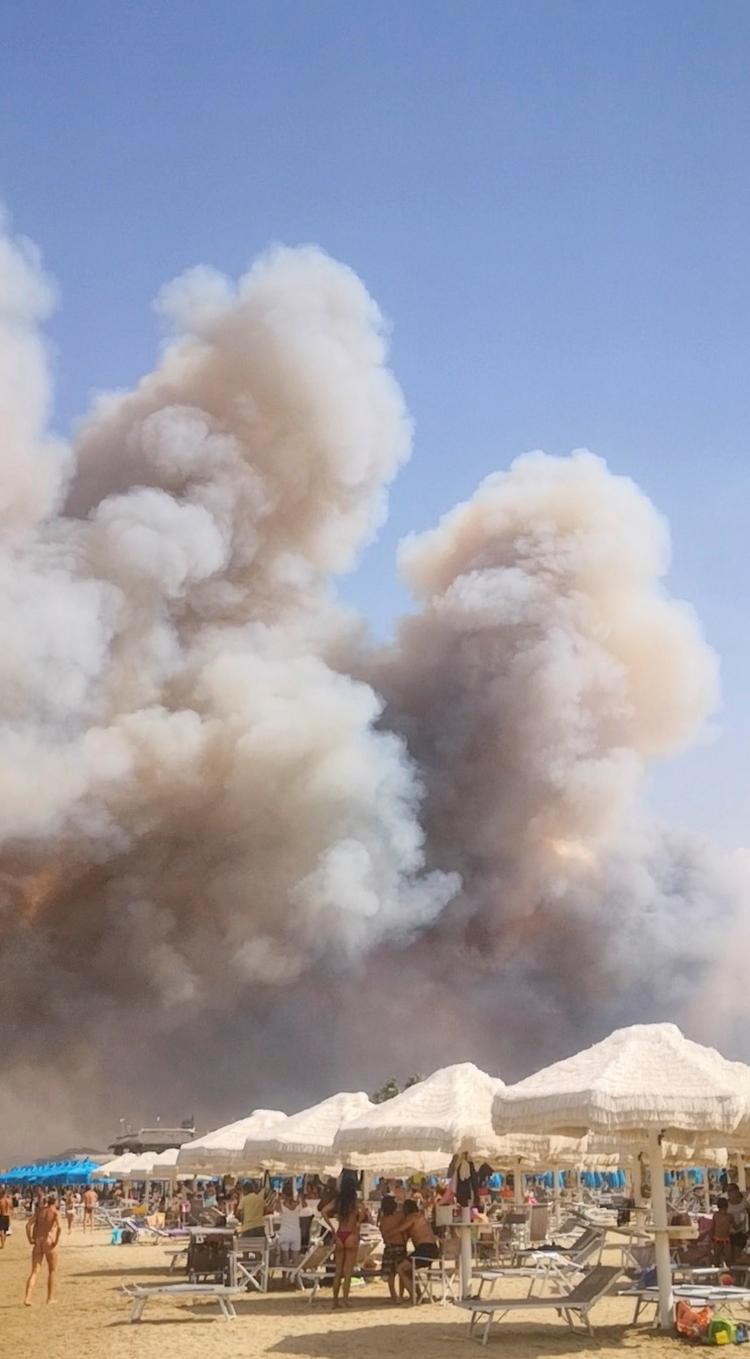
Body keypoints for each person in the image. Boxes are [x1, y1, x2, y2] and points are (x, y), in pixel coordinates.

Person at [322, 1172, 370, 1309]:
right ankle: (345, 1300)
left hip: (340, 1234)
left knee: (338, 1272)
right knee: (348, 1272)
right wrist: (358, 1221)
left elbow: (324, 1211)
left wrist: (332, 1227)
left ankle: (335, 1301)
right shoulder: (354, 1202)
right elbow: (364, 1210)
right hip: (351, 1234)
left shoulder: (338, 1202)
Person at [396, 1199, 439, 1303]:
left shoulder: (412, 1217)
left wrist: (389, 1232)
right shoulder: (421, 1216)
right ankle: (418, 1295)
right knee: (409, 1269)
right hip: (432, 1249)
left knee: (400, 1268)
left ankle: (413, 1295)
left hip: (424, 1249)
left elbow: (400, 1229)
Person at [24, 1193, 61, 1305]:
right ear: (55, 1201)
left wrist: (30, 1239)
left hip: (38, 1241)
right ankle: (50, 1298)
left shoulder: (40, 1211)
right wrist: (56, 1241)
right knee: (52, 1270)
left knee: (34, 1271)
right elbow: (59, 1227)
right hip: (49, 1241)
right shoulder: (55, 1212)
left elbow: (28, 1225)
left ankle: (27, 1298)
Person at [378, 1194, 407, 1303]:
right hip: (400, 1245)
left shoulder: (383, 1219)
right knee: (402, 1272)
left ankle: (393, 1295)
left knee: (391, 1273)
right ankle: (401, 1295)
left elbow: (383, 1233)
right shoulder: (399, 1216)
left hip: (389, 1246)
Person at [278, 1181, 303, 1263]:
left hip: (284, 1233)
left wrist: (278, 1198)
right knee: (295, 1259)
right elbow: (303, 1204)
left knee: (285, 1259)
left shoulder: (281, 1205)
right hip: (296, 1233)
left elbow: (274, 1208)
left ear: (283, 1194)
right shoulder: (298, 1204)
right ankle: (295, 1271)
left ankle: (286, 1271)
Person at [711, 1196, 733, 1268]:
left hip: (725, 1239)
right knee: (717, 1257)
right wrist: (711, 1238)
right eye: (722, 1209)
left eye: (724, 1209)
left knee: (727, 1257)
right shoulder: (716, 1215)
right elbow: (712, 1227)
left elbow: (734, 1226)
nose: (723, 1211)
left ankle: (728, 1270)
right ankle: (717, 1270)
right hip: (718, 1239)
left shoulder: (729, 1216)